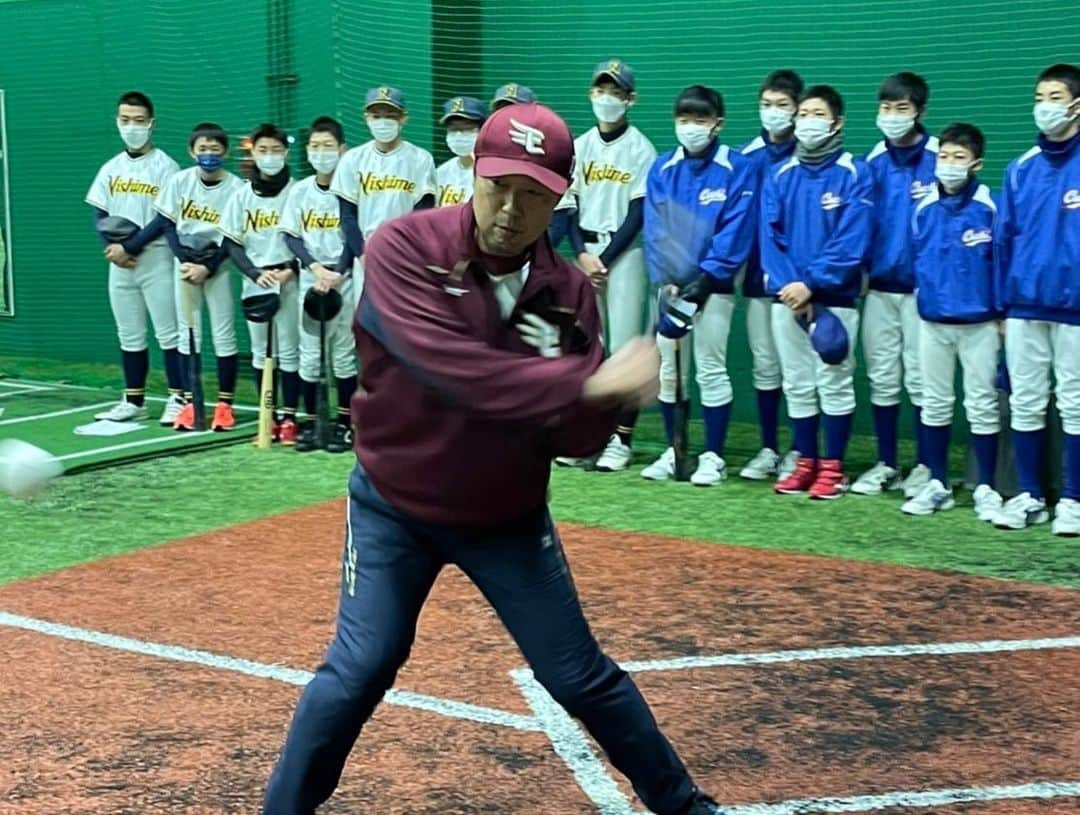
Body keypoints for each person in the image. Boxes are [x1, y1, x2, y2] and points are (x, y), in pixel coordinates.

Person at [261, 103, 724, 815]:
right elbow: (449, 367)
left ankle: (685, 806)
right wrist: (592, 380)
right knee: (359, 668)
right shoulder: (403, 247)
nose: (511, 209)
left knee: (579, 677)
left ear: (560, 197)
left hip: (504, 513)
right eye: (499, 185)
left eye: (535, 193)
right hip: (394, 504)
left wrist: (617, 400)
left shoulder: (566, 295)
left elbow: (571, 440)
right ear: (472, 174)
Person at [640, 85, 755, 486]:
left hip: (713, 290)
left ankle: (713, 456)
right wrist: (668, 281)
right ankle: (675, 451)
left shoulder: (737, 167)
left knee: (710, 369)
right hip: (671, 289)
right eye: (684, 119)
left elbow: (736, 229)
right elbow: (655, 229)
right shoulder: (662, 167)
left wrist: (705, 282)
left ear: (718, 123)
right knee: (670, 373)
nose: (691, 127)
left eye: (700, 120)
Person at [763, 84, 873, 499]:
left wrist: (812, 284)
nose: (807, 121)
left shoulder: (855, 172)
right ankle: (805, 462)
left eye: (817, 114)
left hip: (835, 298)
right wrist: (790, 285)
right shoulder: (780, 174)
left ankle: (834, 468)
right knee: (797, 382)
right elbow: (770, 238)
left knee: (834, 382)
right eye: (803, 113)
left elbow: (852, 240)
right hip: (786, 298)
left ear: (837, 122)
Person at [549, 59, 657, 472]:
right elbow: (569, 205)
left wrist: (604, 259)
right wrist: (581, 254)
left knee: (624, 349)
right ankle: (588, 436)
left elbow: (638, 213)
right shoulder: (579, 146)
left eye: (615, 91)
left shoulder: (640, 148)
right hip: (585, 255)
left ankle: (621, 441)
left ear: (631, 99)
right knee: (586, 349)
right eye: (601, 89)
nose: (607, 98)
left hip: (623, 257)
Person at [992, 63, 1080, 536]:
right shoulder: (1021, 169)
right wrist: (1002, 306)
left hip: (1077, 312)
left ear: (1076, 105)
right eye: (1039, 96)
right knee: (1025, 401)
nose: (1045, 106)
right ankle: (1029, 495)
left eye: (1054, 97)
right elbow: (1003, 240)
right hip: (1024, 307)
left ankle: (1073, 499)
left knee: (1076, 403)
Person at [902, 123, 1002, 518]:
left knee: (981, 406)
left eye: (958, 158)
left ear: (976, 163)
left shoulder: (990, 207)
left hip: (980, 324)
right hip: (932, 323)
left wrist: (1000, 315)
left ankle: (987, 488)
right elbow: (916, 261)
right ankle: (938, 483)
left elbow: (1001, 262)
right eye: (943, 157)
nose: (949, 165)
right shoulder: (923, 208)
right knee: (935, 404)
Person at [852, 72, 937, 499]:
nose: (891, 117)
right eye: (885, 108)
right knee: (883, 378)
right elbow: (861, 224)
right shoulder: (872, 162)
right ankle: (886, 462)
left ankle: (926, 466)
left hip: (924, 293)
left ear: (919, 112)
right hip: (879, 289)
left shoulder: (941, 158)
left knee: (922, 380)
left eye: (901, 109)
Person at [85, 91, 184, 425]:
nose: (132, 127)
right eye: (125, 120)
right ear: (117, 121)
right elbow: (99, 211)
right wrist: (112, 248)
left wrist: (132, 246)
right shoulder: (110, 168)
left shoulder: (165, 167)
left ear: (151, 124)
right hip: (120, 264)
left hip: (155, 258)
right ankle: (134, 400)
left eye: (138, 121)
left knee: (168, 333)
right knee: (129, 334)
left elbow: (165, 217)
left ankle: (177, 398)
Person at [154, 122, 244, 431]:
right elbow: (166, 224)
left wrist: (208, 266)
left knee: (224, 334)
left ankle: (224, 405)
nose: (209, 155)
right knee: (187, 333)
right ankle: (191, 403)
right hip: (184, 265)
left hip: (217, 266)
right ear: (192, 151)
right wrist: (184, 259)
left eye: (215, 149)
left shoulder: (237, 188)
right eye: (202, 149)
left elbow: (234, 237)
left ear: (226, 152)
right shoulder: (179, 182)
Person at [737, 69, 804, 482]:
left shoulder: (810, 157)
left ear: (798, 109)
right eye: (766, 105)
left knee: (799, 370)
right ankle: (768, 449)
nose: (773, 113)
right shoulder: (746, 159)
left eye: (782, 105)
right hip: (757, 281)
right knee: (765, 366)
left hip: (800, 287)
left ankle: (802, 450)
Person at [221, 123, 300, 444]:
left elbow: (307, 237)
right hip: (257, 277)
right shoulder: (241, 195)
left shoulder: (298, 190)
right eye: (263, 151)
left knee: (290, 351)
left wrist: (292, 269)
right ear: (252, 153)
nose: (269, 157)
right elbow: (231, 243)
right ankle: (268, 415)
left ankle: (290, 418)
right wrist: (254, 274)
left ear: (286, 152)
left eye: (275, 150)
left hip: (290, 277)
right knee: (259, 352)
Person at [281, 116, 356, 453]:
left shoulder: (353, 188)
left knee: (344, 355)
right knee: (309, 355)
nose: (321, 152)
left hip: (346, 279)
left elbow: (356, 235)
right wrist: (314, 268)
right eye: (315, 146)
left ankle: (344, 424)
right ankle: (311, 424)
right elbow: (291, 235)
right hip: (312, 280)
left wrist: (337, 272)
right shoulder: (300, 191)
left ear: (342, 149)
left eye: (328, 146)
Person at [330, 87, 437, 288]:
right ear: (366, 118)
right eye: (376, 115)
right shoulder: (353, 159)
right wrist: (362, 255)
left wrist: (404, 252)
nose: (383, 121)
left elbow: (424, 214)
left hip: (405, 256)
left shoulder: (420, 158)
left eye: (390, 115)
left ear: (403, 118)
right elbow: (347, 215)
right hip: (365, 256)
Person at [435, 95, 486, 206]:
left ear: (482, 129)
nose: (459, 134)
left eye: (466, 128)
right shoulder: (441, 173)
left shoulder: (491, 172)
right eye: (453, 129)